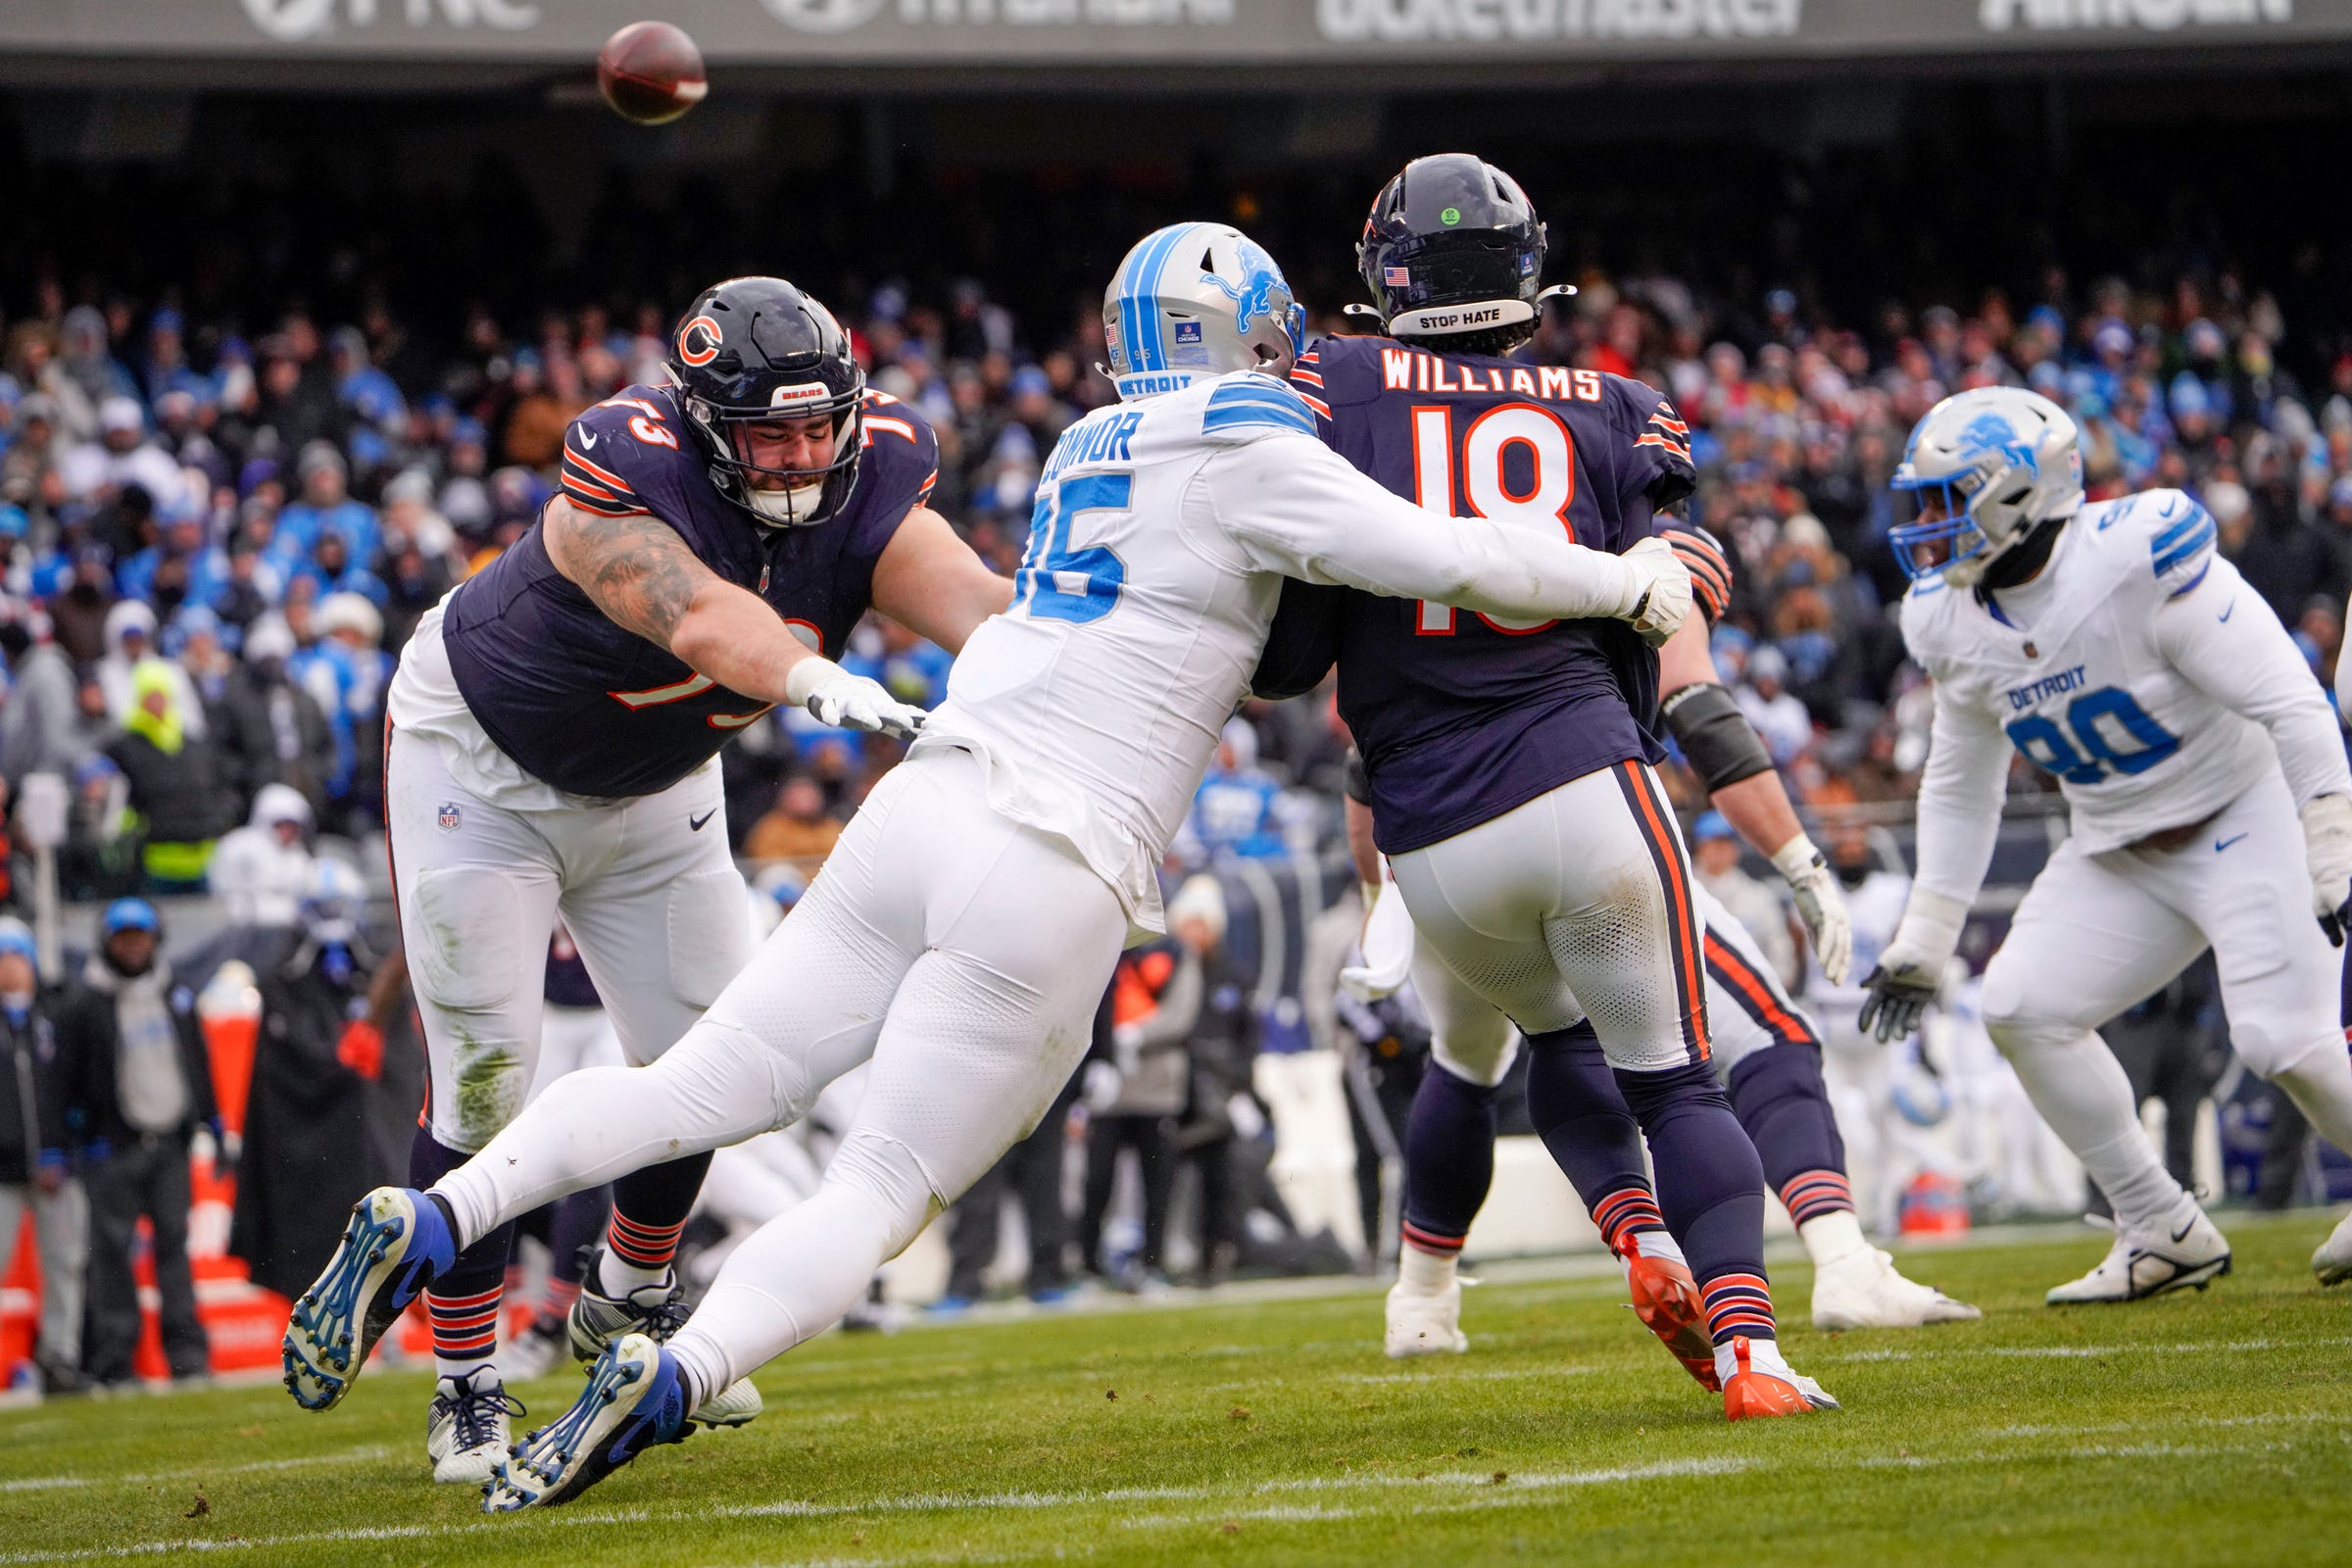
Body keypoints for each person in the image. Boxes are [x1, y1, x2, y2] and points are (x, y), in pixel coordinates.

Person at [286, 220, 1690, 1510]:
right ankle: (673, 1371)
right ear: (1258, 338)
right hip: (1050, 861)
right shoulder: (1262, 449)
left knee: (699, 1084)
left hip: (926, 798)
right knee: (878, 1184)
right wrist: (1628, 581)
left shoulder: (1089, 445)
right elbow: (1447, 556)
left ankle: (442, 1208)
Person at [280, 274, 1010, 1486]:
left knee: (726, 1068)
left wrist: (1080, 663)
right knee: (484, 1081)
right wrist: (813, 679)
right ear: (706, 424)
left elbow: (973, 600)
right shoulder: (623, 463)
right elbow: (701, 620)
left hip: (659, 787)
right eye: (767, 431)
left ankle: (625, 1292)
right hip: (486, 769)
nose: (799, 453)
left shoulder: (878, 461)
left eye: (815, 424)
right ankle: (466, 1388)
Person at [1257, 156, 1833, 1416]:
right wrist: (1677, 558)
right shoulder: (1617, 405)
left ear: (1385, 276)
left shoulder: (1329, 385)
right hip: (1582, 776)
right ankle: (1753, 1355)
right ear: (1529, 271)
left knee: (1553, 1039)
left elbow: (1287, 647)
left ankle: (1642, 1239)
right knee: (1675, 1074)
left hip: (1431, 829)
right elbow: (1677, 577)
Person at [1858, 386, 2352, 1299]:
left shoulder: (2138, 556)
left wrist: (2329, 839)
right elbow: (1963, 781)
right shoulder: (1945, 617)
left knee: (2284, 1042)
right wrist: (1926, 938)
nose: (1926, 526)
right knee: (2018, 1004)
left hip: (2246, 814)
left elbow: (2293, 697)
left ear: (2015, 493)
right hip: (2118, 843)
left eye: (1944, 499)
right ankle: (2160, 1226)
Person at [61, 899, 218, 1389]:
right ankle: (116, 1365)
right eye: (123, 936)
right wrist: (80, 1138)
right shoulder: (85, 1002)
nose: (132, 945)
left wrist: (210, 1121)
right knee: (112, 1257)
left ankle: (188, 1358)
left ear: (156, 938)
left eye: (140, 935)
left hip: (170, 1141)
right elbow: (68, 1080)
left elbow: (196, 1060)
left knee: (175, 1252)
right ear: (106, 942)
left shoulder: (175, 994)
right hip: (114, 1146)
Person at [0, 917, 88, 1395]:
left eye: (15, 955)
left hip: (59, 1165)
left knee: (64, 1263)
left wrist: (67, 1144)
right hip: (5, 1170)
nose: (9, 967)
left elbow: (80, 1085)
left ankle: (60, 1357)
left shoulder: (57, 1016)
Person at [209, 783, 316, 927]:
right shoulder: (239, 846)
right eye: (284, 824)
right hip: (249, 928)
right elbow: (225, 891)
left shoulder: (298, 856)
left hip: (292, 929)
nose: (289, 831)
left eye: (293, 826)